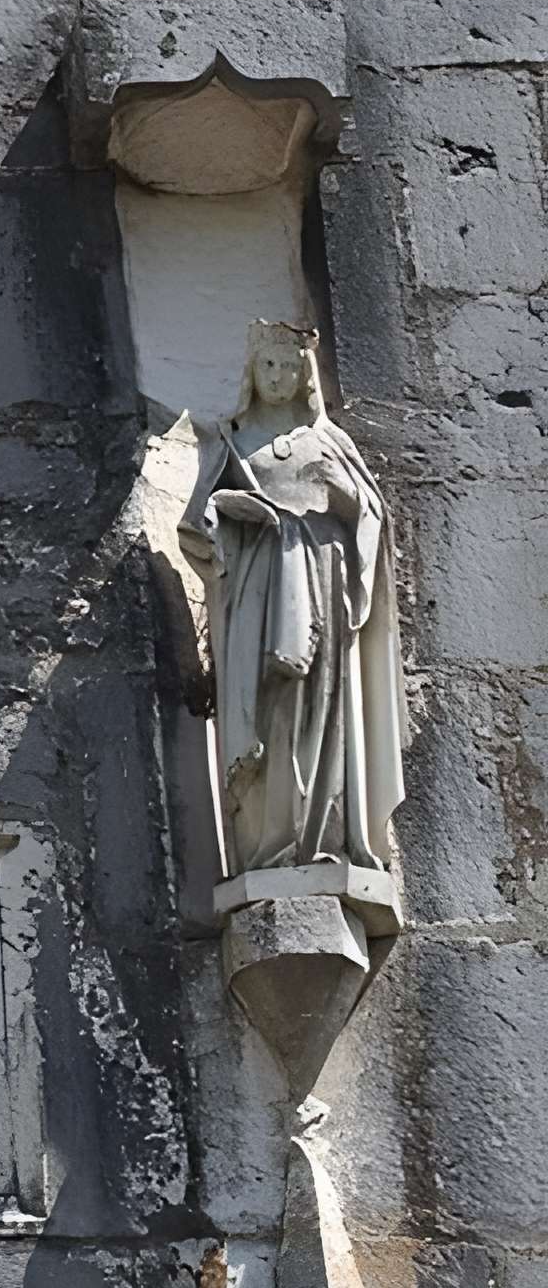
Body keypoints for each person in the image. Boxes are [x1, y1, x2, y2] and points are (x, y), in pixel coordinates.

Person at [179, 322, 402, 878]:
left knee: (324, 698)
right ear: (252, 373)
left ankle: (324, 834)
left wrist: (342, 492)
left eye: (288, 366)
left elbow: (370, 517)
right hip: (259, 583)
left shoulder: (330, 442)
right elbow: (196, 525)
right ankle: (267, 840)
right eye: (268, 366)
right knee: (270, 697)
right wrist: (228, 510)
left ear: (306, 375)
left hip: (325, 573)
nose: (277, 376)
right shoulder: (231, 439)